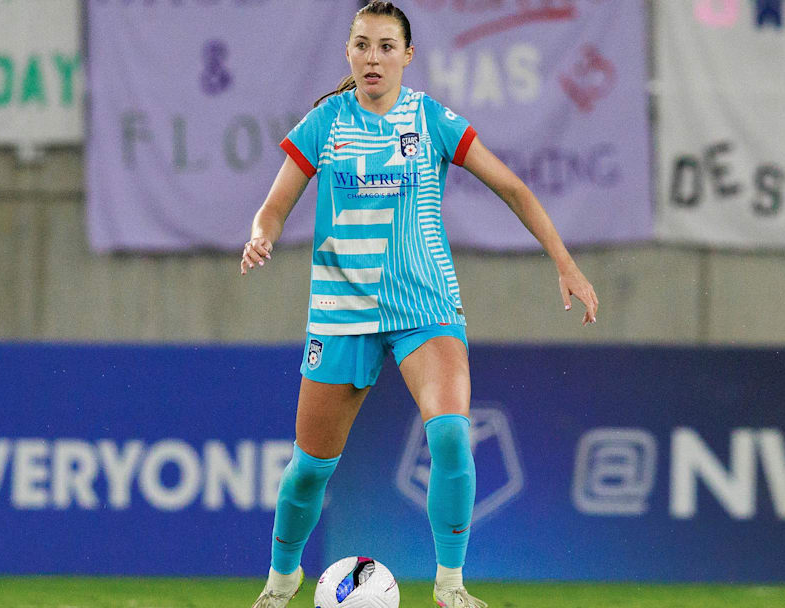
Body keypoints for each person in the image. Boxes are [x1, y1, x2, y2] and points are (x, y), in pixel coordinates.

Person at [239, 2, 598, 607]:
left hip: (424, 305)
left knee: (453, 437)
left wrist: (564, 261)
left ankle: (451, 587)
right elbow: (275, 204)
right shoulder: (325, 121)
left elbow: (512, 185)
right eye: (361, 45)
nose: (372, 57)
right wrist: (262, 235)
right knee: (309, 471)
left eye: (385, 46)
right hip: (341, 311)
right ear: (348, 53)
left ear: (408, 55)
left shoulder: (429, 120)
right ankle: (280, 583)